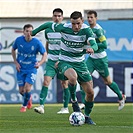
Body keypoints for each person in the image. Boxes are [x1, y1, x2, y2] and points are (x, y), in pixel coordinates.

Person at [32, 11, 98, 125]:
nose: (76, 26)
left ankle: (87, 117)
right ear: (70, 22)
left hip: (80, 63)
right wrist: (34, 32)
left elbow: (94, 43)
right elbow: (48, 25)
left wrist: (93, 48)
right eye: (73, 24)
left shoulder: (87, 30)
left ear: (82, 21)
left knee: (90, 93)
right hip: (64, 61)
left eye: (78, 23)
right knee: (72, 78)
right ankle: (74, 101)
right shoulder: (64, 27)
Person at [79, 10, 126, 110]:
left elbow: (104, 45)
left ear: (96, 18)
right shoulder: (87, 29)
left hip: (100, 59)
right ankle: (83, 103)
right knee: (83, 78)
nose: (90, 19)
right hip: (91, 59)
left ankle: (121, 96)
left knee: (108, 82)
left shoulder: (98, 30)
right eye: (88, 17)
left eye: (92, 17)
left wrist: (93, 46)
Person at [33, 8, 70, 114]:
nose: (57, 18)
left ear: (62, 17)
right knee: (46, 81)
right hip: (51, 61)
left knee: (64, 83)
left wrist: (62, 58)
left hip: (63, 61)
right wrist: (48, 54)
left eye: (59, 16)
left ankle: (65, 108)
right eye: (55, 16)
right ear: (52, 17)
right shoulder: (48, 30)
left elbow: (67, 46)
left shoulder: (65, 29)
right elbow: (48, 43)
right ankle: (41, 106)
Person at [11, 24, 47, 112]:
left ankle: (24, 106)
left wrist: (40, 63)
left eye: (30, 31)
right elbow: (13, 50)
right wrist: (16, 62)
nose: (28, 33)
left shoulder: (36, 42)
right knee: (21, 91)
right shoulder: (19, 40)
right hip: (21, 68)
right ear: (23, 32)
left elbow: (44, 54)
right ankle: (29, 98)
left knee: (27, 88)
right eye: (27, 31)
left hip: (31, 68)